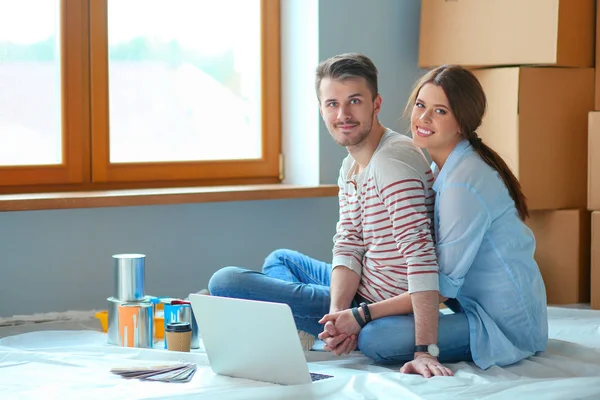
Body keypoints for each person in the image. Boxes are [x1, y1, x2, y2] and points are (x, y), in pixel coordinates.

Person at [208, 52, 455, 378]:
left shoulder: (391, 164)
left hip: (384, 305)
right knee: (280, 260)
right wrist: (337, 312)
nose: (343, 114)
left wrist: (425, 350)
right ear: (322, 109)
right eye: (332, 104)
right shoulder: (351, 165)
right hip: (361, 287)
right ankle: (322, 327)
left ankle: (311, 327)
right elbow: (349, 243)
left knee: (225, 281)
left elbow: (422, 257)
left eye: (354, 101)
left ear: (376, 104)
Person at [398, 64, 548, 373]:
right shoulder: (444, 168)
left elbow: (440, 288)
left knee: (376, 337)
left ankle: (328, 315)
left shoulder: (461, 183)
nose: (423, 118)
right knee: (284, 261)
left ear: (462, 125)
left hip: (499, 328)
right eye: (421, 105)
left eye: (440, 111)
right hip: (467, 307)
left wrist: (363, 314)